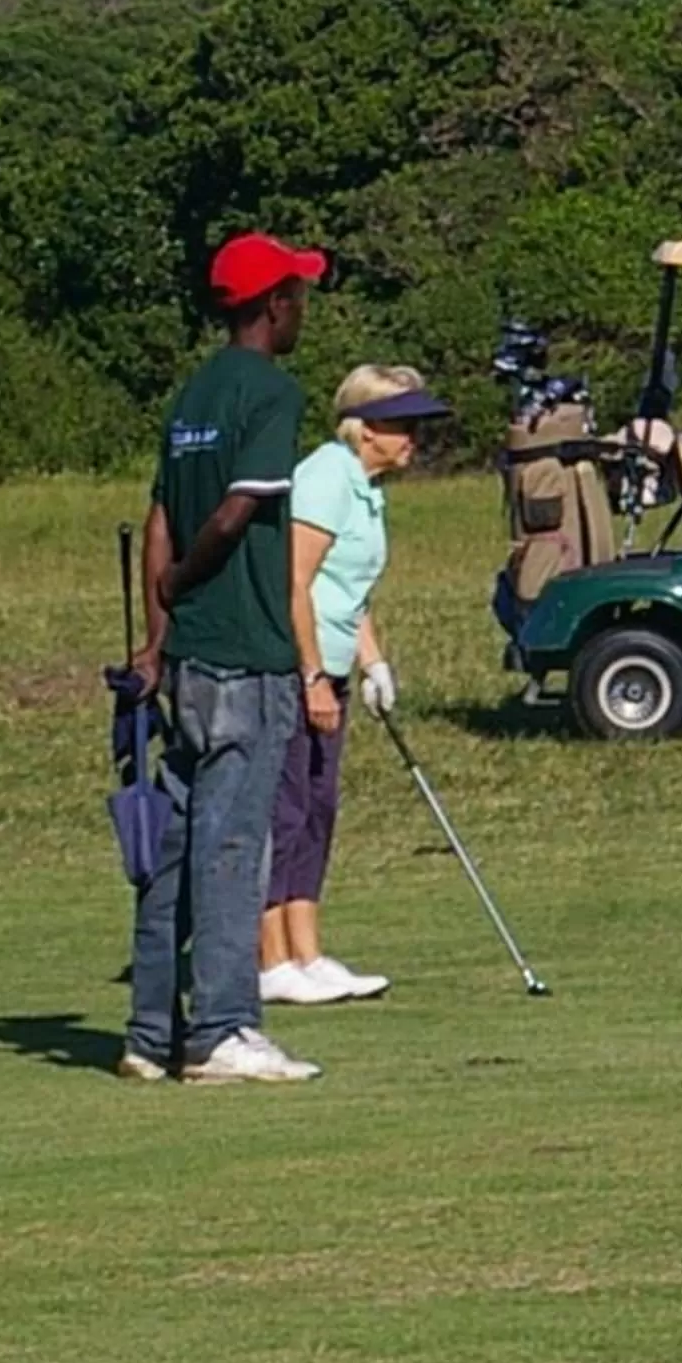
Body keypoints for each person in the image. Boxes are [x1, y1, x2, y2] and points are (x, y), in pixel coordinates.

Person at [122, 231, 329, 1084]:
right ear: (273, 303)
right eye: (298, 294)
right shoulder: (270, 393)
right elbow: (236, 512)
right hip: (246, 651)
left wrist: (158, 631)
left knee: (175, 846)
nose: (303, 309)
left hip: (192, 661)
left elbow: (162, 513)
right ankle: (220, 1029)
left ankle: (149, 1032)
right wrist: (188, 578)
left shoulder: (191, 394)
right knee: (233, 844)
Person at [263, 363, 453, 1006]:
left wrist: (373, 663)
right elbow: (295, 583)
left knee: (319, 808)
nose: (413, 440)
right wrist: (313, 675)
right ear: (366, 428)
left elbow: (349, 592)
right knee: (283, 810)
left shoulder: (367, 489)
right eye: (403, 425)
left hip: (335, 671)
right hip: (295, 671)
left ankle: (308, 953)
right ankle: (271, 960)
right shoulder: (325, 477)